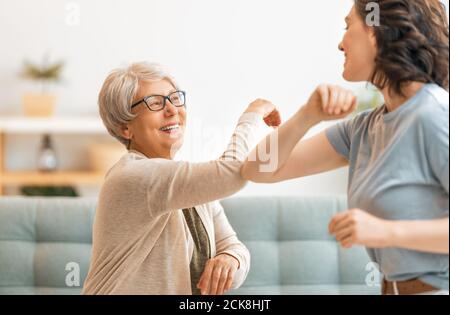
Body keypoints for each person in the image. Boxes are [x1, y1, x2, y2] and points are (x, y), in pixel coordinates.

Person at [242, 0, 449, 295]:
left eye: (348, 25)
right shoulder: (363, 128)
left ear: (378, 30)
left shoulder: (434, 114)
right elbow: (258, 168)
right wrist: (307, 116)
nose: (340, 44)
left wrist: (386, 231)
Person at [82, 62, 281, 295]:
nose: (172, 110)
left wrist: (230, 258)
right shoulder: (130, 177)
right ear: (125, 127)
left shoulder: (188, 186)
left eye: (175, 98)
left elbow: (235, 247)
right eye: (155, 103)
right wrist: (253, 114)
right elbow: (232, 174)